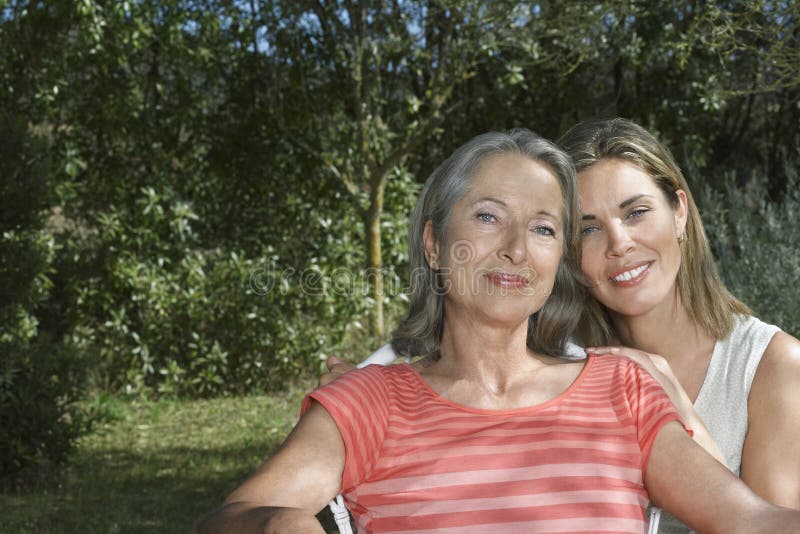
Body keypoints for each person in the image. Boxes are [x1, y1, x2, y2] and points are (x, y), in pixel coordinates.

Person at [195, 129, 800, 533]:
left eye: (542, 228)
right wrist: (280, 524)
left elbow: (756, 522)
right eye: (488, 217)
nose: (515, 249)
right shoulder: (368, 402)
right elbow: (230, 516)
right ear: (434, 244)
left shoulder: (623, 388)